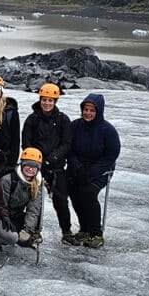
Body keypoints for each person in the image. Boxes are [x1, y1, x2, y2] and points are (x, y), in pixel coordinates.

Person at [21, 83, 74, 244]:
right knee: (33, 199)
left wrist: (52, 158)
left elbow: (66, 143)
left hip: (56, 166)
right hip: (34, 166)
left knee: (61, 200)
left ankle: (66, 231)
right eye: (44, 100)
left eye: (50, 100)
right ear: (40, 100)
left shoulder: (63, 119)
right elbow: (26, 141)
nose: (47, 103)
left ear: (55, 101)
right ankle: (34, 230)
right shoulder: (33, 119)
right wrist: (35, 160)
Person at [66, 93, 121, 249]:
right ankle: (84, 229)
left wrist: (90, 172)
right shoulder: (75, 126)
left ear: (99, 112)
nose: (88, 113)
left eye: (92, 110)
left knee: (88, 193)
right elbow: (69, 149)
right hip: (78, 169)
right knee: (72, 190)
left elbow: (111, 155)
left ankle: (96, 233)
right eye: (86, 109)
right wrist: (76, 166)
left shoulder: (107, 130)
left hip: (101, 171)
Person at [0, 148, 46, 250]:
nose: (30, 169)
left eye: (35, 166)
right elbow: (0, 206)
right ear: (22, 165)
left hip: (17, 215)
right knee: (7, 237)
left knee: (26, 240)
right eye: (28, 165)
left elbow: (33, 210)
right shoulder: (8, 180)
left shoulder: (37, 184)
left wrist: (27, 230)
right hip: (2, 216)